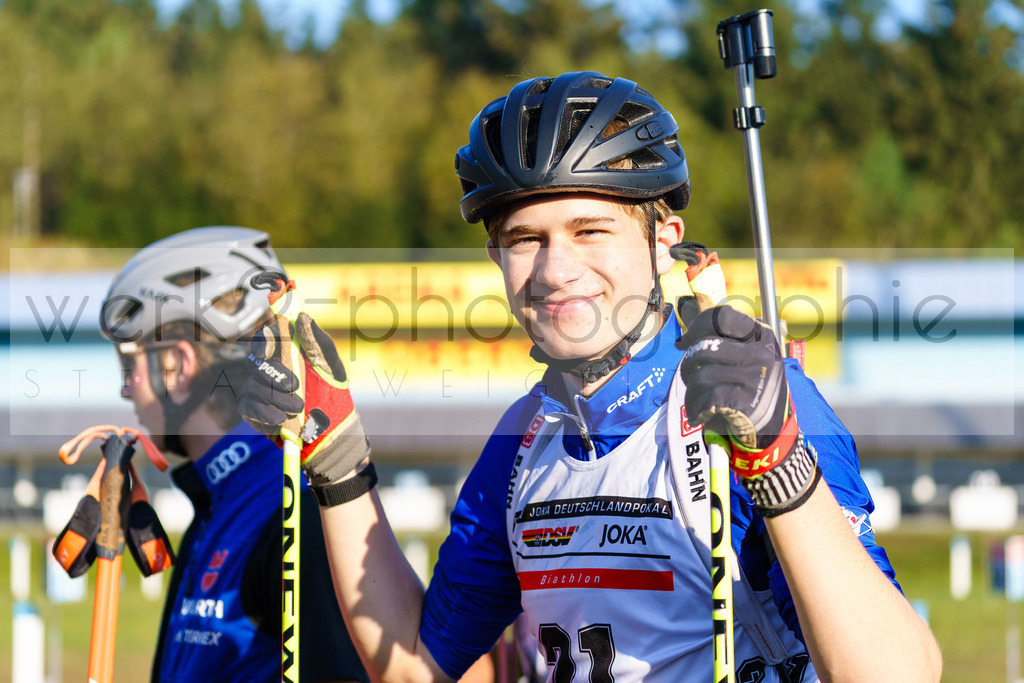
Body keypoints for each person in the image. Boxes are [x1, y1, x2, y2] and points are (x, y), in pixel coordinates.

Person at [239, 72, 942, 681]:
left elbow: (899, 672)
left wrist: (776, 454)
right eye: (524, 240)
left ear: (663, 241)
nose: (554, 270)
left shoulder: (747, 405)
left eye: (590, 230)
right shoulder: (525, 437)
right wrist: (340, 464)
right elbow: (413, 665)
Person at [99, 226, 370, 683]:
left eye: (130, 367)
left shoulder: (292, 509)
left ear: (179, 366)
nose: (126, 391)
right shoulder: (220, 501)